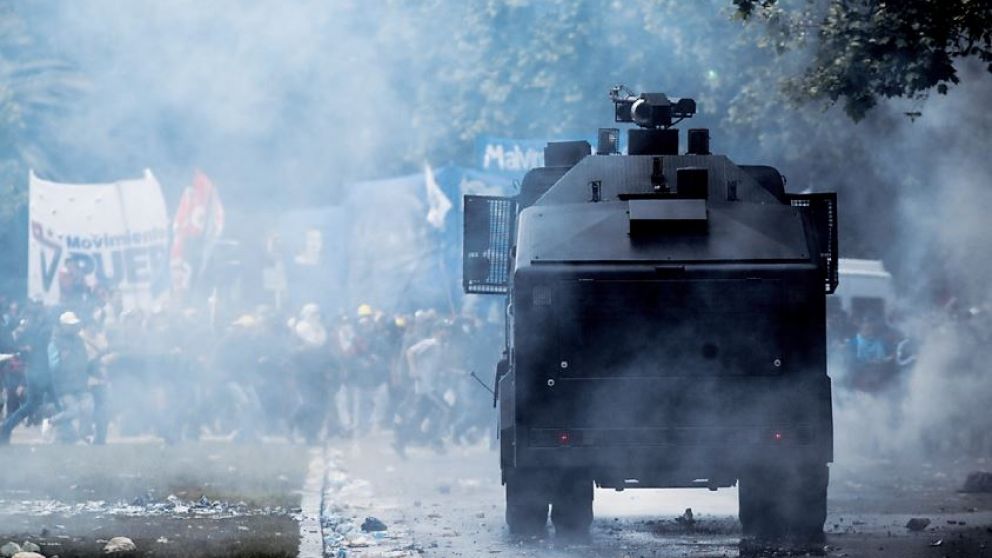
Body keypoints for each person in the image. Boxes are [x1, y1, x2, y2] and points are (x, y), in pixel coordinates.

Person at [46, 311, 95, 443]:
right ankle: (50, 422)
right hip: (63, 387)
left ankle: (83, 437)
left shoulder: (79, 341)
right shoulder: (54, 342)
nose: (73, 327)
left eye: (74, 325)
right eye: (69, 325)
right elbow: (52, 366)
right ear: (62, 326)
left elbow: (85, 360)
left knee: (88, 407)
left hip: (80, 384)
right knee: (73, 411)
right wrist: (62, 361)